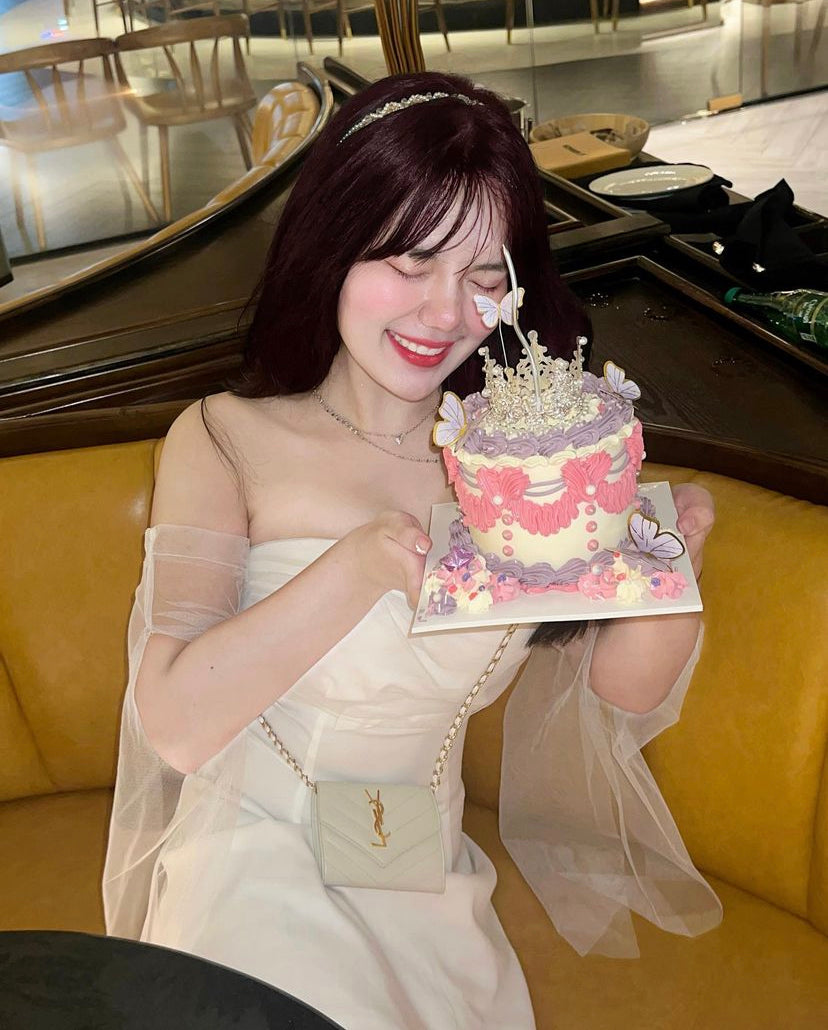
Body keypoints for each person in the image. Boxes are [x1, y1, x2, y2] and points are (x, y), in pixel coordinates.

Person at [103, 71, 722, 1029]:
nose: (444, 313)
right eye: (412, 260)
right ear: (333, 246)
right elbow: (176, 726)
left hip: (419, 871)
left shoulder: (523, 461)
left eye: (483, 278)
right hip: (256, 862)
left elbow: (624, 688)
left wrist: (671, 561)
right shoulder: (226, 439)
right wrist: (357, 568)